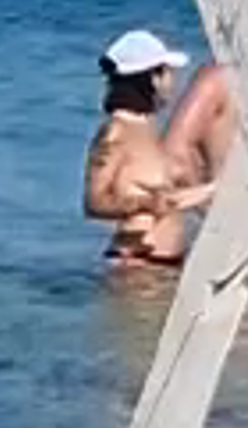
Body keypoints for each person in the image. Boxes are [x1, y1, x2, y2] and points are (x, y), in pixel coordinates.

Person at [83, 25, 239, 279]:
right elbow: (93, 202)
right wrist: (144, 204)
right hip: (137, 266)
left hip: (163, 266)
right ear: (152, 79)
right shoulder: (115, 133)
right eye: (167, 73)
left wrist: (216, 189)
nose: (172, 82)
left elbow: (167, 201)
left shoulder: (146, 128)